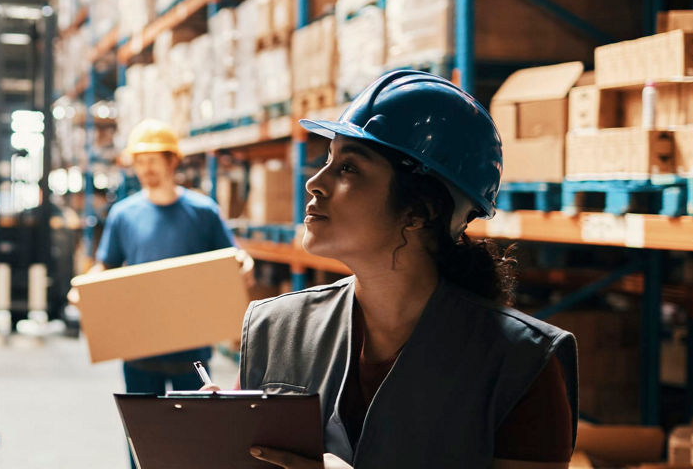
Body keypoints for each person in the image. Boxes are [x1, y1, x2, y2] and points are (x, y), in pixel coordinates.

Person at [219, 71, 578, 469]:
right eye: (327, 161)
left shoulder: (521, 365)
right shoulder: (276, 330)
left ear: (419, 210)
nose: (315, 183)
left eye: (349, 169)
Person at [84, 119, 254, 396]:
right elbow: (107, 264)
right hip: (138, 344)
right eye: (140, 161)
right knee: (143, 432)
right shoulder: (123, 214)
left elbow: (230, 258)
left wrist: (243, 262)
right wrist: (87, 286)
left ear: (173, 161)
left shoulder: (203, 212)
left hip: (191, 347)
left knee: (190, 432)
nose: (146, 168)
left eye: (153, 160)